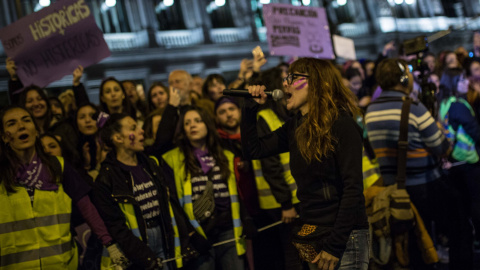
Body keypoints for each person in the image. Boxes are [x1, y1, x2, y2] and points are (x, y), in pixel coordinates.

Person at [241, 58, 369, 270]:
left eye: (294, 78)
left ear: (319, 83)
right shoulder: (295, 126)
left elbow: (353, 188)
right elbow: (253, 150)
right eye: (286, 78)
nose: (285, 84)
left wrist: (335, 246)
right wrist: (249, 108)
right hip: (312, 231)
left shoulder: (342, 124)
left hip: (344, 235)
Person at [365, 58, 471, 269]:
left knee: (414, 244)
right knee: (460, 228)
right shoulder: (412, 107)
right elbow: (441, 147)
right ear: (404, 78)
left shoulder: (371, 110)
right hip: (425, 185)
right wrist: (442, 132)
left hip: (394, 189)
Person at [0, 106, 126, 269]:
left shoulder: (58, 165)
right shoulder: (2, 173)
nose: (21, 126)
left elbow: (86, 207)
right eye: (12, 123)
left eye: (26, 120)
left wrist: (109, 244)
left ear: (36, 130)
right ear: (4, 136)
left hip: (62, 264)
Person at [95, 113, 206, 269]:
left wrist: (190, 234)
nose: (141, 131)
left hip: (163, 233)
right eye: (133, 128)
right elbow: (115, 225)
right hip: (136, 244)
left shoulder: (150, 163)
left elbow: (170, 202)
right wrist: (143, 256)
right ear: (118, 138)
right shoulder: (107, 178)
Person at [162, 106, 253, 270]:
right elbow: (174, 202)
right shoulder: (173, 158)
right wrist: (190, 235)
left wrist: (246, 220)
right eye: (187, 123)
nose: (192, 126)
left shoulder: (225, 154)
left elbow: (236, 193)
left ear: (208, 124)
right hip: (199, 232)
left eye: (198, 121)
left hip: (228, 228)